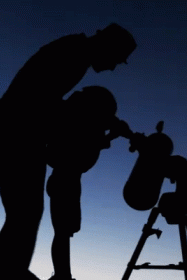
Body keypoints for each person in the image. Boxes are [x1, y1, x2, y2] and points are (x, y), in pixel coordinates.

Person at [0, 23, 136, 279]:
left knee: (23, 216)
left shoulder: (75, 53)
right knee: (24, 217)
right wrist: (100, 122)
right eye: (117, 59)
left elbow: (59, 106)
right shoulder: (73, 55)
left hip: (14, 133)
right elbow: (44, 102)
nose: (112, 67)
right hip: (15, 133)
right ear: (108, 46)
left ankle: (9, 272)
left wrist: (100, 122)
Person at [46, 86, 131, 280]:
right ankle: (62, 276)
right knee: (62, 232)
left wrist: (113, 133)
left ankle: (63, 275)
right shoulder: (77, 122)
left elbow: (91, 141)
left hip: (69, 180)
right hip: (64, 180)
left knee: (64, 232)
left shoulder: (84, 121)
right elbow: (83, 145)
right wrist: (112, 135)